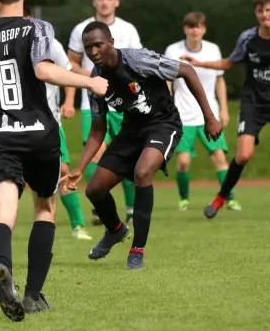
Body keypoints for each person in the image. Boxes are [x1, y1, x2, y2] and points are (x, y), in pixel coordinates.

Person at [0, 0, 107, 320]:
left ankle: (3, 267)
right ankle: (32, 295)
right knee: (44, 209)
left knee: (3, 212)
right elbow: (43, 69)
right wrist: (89, 82)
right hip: (40, 134)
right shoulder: (38, 27)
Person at [61, 21, 222, 270]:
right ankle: (116, 230)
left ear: (111, 43)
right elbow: (98, 129)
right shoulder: (95, 81)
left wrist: (209, 116)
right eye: (88, 47)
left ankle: (137, 250)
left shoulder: (137, 60)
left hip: (163, 124)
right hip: (131, 131)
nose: (93, 52)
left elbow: (187, 70)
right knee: (94, 189)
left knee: (142, 172)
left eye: (98, 45)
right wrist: (80, 168)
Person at [181, 0, 270, 220]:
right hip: (253, 104)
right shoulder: (248, 38)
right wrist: (200, 63)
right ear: (256, 13)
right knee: (244, 155)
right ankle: (221, 198)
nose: (265, 15)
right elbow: (229, 63)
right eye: (260, 11)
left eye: (269, 10)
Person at [0, 5, 92, 242]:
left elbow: (68, 72)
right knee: (3, 176)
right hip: (12, 123)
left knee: (62, 170)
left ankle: (78, 225)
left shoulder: (50, 43)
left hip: (48, 123)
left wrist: (69, 101)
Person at [67, 0, 142, 226]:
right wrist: (90, 81)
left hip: (124, 104)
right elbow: (70, 63)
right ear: (94, 1)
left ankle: (131, 209)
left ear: (116, 2)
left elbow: (137, 63)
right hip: (92, 103)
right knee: (96, 155)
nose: (104, 2)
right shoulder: (81, 29)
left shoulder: (128, 30)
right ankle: (99, 208)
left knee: (128, 156)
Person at [164, 12, 242, 211]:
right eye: (191, 26)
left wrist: (224, 109)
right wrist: (167, 107)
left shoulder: (213, 50)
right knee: (183, 161)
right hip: (182, 114)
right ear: (185, 29)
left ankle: (229, 198)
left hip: (209, 115)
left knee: (219, 157)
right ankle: (184, 199)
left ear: (204, 29)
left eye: (198, 26)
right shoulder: (173, 50)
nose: (195, 30)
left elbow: (219, 80)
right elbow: (167, 81)